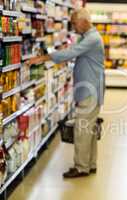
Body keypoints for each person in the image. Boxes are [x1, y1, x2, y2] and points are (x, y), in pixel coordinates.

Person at [27, 8, 105, 178]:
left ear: (84, 22)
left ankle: (81, 167)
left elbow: (70, 53)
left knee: (82, 130)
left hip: (89, 91)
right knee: (89, 129)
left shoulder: (91, 38)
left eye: (75, 23)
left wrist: (43, 58)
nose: (74, 27)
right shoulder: (89, 37)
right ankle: (90, 164)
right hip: (91, 89)